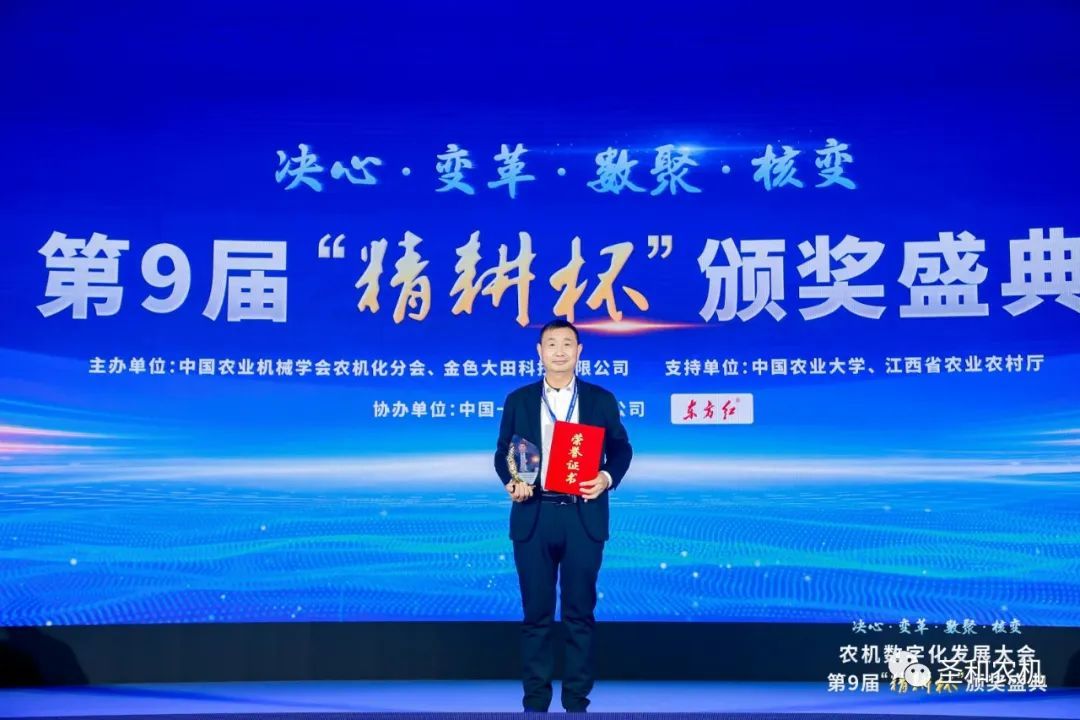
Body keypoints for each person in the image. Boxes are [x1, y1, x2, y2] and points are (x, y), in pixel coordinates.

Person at [494, 318, 632, 713]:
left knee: (579, 614)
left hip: (582, 515)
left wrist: (605, 477)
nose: (559, 351)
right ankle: (535, 703)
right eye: (551, 344)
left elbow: (621, 449)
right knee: (536, 614)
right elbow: (503, 452)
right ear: (539, 352)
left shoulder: (600, 399)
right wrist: (512, 481)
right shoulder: (519, 399)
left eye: (567, 344)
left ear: (579, 351)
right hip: (534, 513)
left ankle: (576, 703)